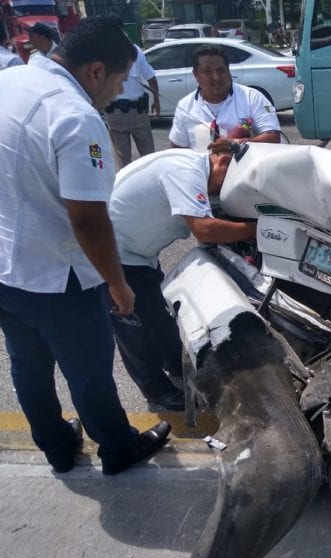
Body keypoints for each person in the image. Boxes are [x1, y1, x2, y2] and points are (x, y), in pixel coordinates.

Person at [0, 15, 170, 476]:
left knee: (27, 362)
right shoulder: (75, 115)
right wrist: (118, 284)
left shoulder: (10, 80)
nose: (118, 92)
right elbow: (88, 219)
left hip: (6, 266)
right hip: (59, 276)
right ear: (95, 71)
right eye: (117, 81)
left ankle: (56, 446)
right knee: (89, 370)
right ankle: (117, 448)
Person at [108, 148, 257, 410]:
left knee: (159, 316)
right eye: (226, 183)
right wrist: (258, 229)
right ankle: (157, 393)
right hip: (114, 256)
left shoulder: (192, 165)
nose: (221, 193)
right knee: (135, 329)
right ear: (222, 161)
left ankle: (176, 367)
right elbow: (205, 230)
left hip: (136, 253)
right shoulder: (185, 171)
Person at [169, 44, 281, 152]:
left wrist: (235, 144)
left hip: (244, 169)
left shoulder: (252, 97)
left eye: (221, 70)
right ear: (195, 74)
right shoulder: (185, 105)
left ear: (228, 71)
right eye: (207, 72)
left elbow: (273, 138)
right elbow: (178, 150)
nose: (216, 78)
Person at [104, 38, 161, 169]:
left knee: (123, 159)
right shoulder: (134, 50)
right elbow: (151, 77)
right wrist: (156, 101)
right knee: (148, 156)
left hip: (114, 112)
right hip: (137, 111)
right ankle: (152, 184)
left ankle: (127, 187)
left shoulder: (103, 49)